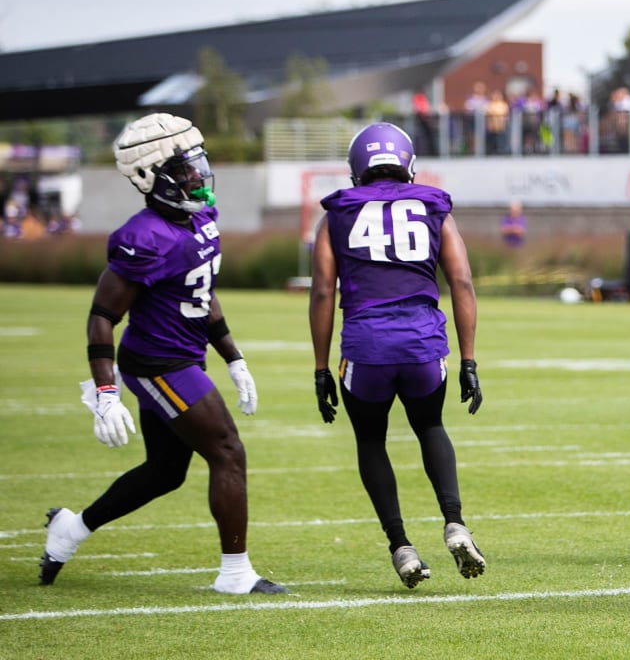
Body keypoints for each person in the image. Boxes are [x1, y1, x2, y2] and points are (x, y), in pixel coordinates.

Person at [42, 113, 286, 594]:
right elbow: (102, 316)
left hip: (184, 356)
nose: (198, 174)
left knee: (165, 472)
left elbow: (202, 295)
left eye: (198, 163)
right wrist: (106, 391)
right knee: (228, 451)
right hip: (158, 363)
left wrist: (233, 358)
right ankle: (235, 574)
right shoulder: (144, 237)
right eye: (185, 167)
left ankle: (69, 530)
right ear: (152, 178)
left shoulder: (201, 218)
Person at [309, 122, 486, 588]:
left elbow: (324, 291)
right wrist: (468, 360)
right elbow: (462, 282)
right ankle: (454, 523)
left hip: (366, 348)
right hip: (423, 344)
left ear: (356, 168)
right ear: (407, 163)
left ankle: (401, 546)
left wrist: (320, 367)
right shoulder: (433, 205)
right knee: (431, 426)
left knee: (371, 442)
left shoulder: (336, 213)